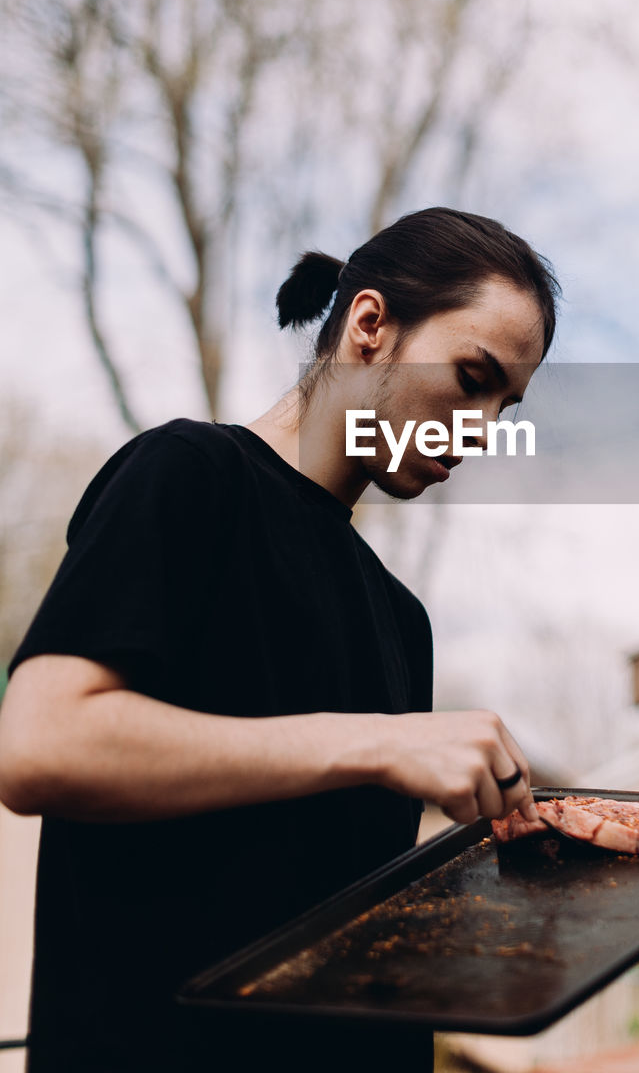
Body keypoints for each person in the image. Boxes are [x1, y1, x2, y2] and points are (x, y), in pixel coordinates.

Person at [0, 206, 560, 1072]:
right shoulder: (189, 477)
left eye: (505, 403)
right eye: (471, 375)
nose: (482, 427)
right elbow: (39, 743)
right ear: (370, 326)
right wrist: (375, 742)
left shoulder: (399, 620)